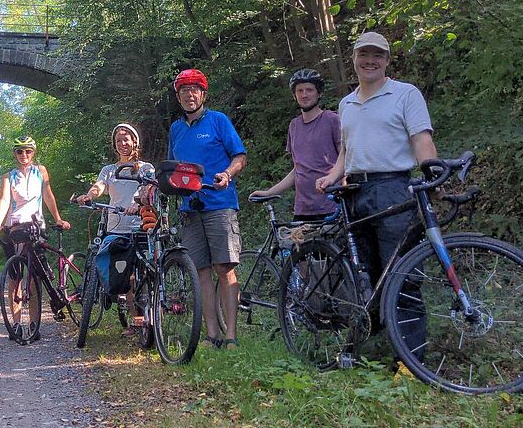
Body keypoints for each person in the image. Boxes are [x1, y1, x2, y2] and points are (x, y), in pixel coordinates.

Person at [316, 31, 436, 355]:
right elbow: (347, 150)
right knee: (366, 276)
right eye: (364, 55)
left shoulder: (405, 94)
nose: (370, 61)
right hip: (356, 191)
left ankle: (412, 359)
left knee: (403, 275)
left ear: (386, 60)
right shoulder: (346, 103)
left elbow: (420, 138)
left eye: (378, 55)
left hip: (394, 188)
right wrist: (331, 175)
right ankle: (372, 350)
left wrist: (432, 170)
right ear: (353, 60)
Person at [168, 69, 247, 349]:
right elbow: (172, 169)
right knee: (200, 270)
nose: (189, 95)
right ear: (178, 97)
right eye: (184, 91)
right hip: (189, 208)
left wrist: (227, 174)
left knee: (224, 268)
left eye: (194, 90)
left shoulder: (218, 121)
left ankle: (231, 336)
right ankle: (211, 335)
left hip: (219, 203)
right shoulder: (176, 129)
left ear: (203, 94)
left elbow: (239, 156)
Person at [74, 123, 154, 337]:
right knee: (125, 276)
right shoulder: (109, 170)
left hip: (140, 226)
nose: (123, 144)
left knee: (143, 274)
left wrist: (139, 203)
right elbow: (99, 186)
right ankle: (135, 321)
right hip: (116, 228)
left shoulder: (145, 168)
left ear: (134, 142)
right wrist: (90, 196)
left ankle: (150, 318)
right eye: (118, 141)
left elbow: (148, 189)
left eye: (126, 139)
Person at [0, 136, 71, 342]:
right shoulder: (8, 177)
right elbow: (4, 199)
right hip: (14, 228)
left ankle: (34, 323)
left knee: (35, 278)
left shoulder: (41, 171)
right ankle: (16, 324)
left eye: (28, 151)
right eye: (19, 151)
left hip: (35, 226)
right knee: (15, 279)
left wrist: (58, 218)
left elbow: (48, 195)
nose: (24, 155)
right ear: (14, 154)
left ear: (33, 153)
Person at [250, 69, 340, 221]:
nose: (304, 95)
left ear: (319, 93)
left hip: (331, 205)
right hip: (303, 208)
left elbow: (346, 158)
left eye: (309, 90)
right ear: (294, 95)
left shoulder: (332, 120)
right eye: (300, 91)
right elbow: (298, 169)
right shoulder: (294, 126)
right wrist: (270, 192)